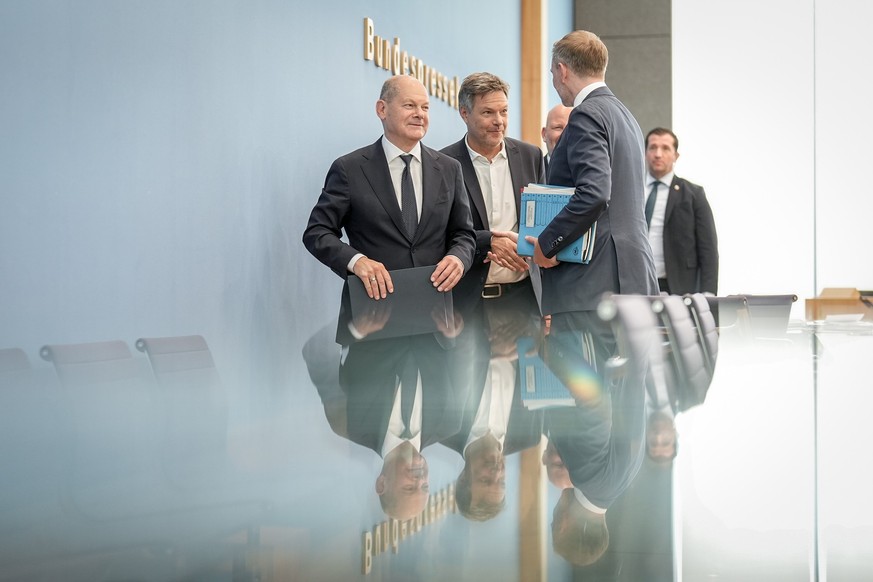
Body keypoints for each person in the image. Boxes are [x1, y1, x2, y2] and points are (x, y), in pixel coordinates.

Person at [519, 30, 658, 314]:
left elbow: (594, 194)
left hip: (591, 288)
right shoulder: (626, 117)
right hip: (631, 279)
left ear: (562, 70)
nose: (555, 83)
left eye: (552, 73)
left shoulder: (586, 114)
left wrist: (546, 245)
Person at [303, 75, 475, 302]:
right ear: (382, 109)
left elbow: (463, 233)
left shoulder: (449, 168)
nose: (419, 114)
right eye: (409, 105)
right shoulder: (349, 169)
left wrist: (458, 258)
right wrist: (357, 262)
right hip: (373, 313)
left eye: (425, 107)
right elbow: (317, 232)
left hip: (436, 315)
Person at [440, 72, 545, 312]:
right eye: (488, 112)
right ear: (464, 114)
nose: (499, 121)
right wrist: (489, 241)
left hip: (524, 300)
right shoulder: (442, 163)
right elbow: (437, 233)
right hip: (467, 304)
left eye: (504, 111)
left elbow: (542, 227)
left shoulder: (532, 157)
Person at [644, 127, 719, 295]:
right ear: (645, 152)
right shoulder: (632, 191)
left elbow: (708, 250)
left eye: (665, 148)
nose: (658, 154)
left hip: (677, 287)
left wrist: (709, 295)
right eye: (653, 147)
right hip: (638, 285)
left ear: (676, 156)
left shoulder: (693, 195)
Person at [541, 103, 573, 172]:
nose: (565, 134)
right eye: (558, 127)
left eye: (571, 127)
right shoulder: (530, 173)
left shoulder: (591, 173)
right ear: (544, 134)